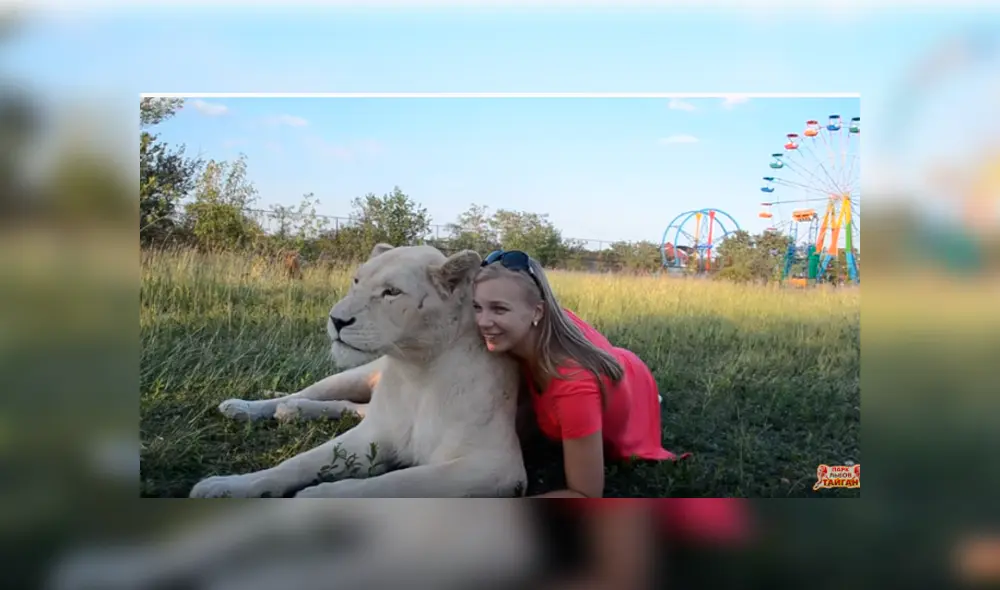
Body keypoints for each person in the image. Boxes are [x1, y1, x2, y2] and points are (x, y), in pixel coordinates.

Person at [472, 249, 690, 499]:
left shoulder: (573, 385)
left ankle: (648, 401)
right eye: (477, 307)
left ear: (537, 313)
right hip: (611, 364)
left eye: (499, 309)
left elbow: (586, 494)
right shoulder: (536, 329)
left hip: (629, 384)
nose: (482, 321)